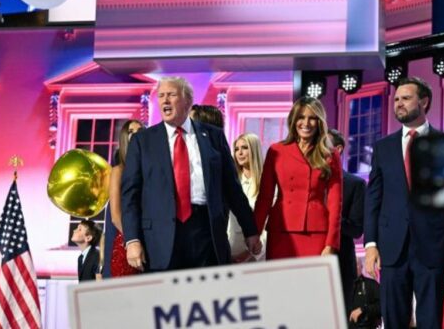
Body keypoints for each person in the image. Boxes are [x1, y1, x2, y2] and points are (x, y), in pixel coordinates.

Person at [363, 76, 444, 329]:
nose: (398, 104)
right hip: (392, 249)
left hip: (432, 246)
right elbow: (373, 198)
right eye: (396, 99)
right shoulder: (383, 147)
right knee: (393, 320)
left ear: (424, 102)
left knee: (430, 320)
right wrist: (371, 244)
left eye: (406, 98)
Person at [122, 77, 261, 271]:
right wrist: (132, 239)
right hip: (160, 237)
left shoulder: (213, 136)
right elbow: (130, 195)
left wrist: (250, 230)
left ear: (187, 101)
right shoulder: (142, 141)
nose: (165, 101)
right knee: (168, 298)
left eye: (171, 95)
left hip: (206, 232)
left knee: (205, 296)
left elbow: (232, 188)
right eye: (161, 96)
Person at [253, 96, 343, 260]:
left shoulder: (330, 154)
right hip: (281, 230)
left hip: (316, 233)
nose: (306, 123)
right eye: (301, 117)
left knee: (311, 285)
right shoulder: (276, 151)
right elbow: (265, 197)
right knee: (280, 284)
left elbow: (335, 202)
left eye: (312, 118)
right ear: (293, 120)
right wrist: (254, 232)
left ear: (319, 122)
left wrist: (331, 243)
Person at [328, 128, 366, 313]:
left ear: (339, 149)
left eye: (324, 143)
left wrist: (330, 216)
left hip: (340, 264)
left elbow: (357, 229)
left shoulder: (355, 184)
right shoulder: (308, 181)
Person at [108, 119, 145, 277]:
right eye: (131, 132)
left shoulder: (151, 170)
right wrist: (133, 238)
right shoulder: (118, 171)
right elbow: (116, 216)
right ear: (124, 138)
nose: (136, 135)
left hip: (152, 242)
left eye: (140, 131)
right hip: (127, 244)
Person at [228, 133, 268, 262]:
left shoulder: (267, 184)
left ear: (254, 150)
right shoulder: (231, 183)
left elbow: (269, 224)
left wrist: (252, 253)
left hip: (256, 255)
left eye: (244, 148)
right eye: (236, 149)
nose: (239, 153)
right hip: (230, 250)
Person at [348, 264, 381, 329]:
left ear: (361, 267)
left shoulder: (371, 284)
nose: (354, 268)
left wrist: (363, 310)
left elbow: (382, 305)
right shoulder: (341, 285)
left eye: (357, 265)